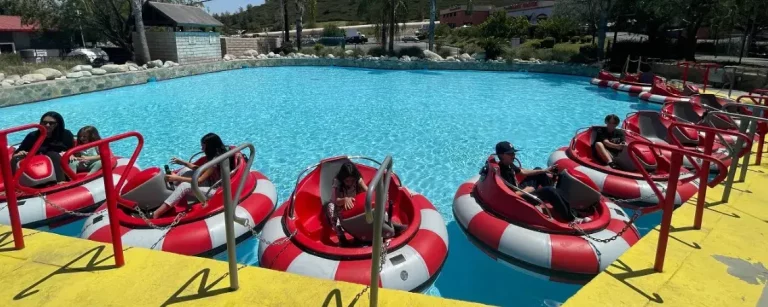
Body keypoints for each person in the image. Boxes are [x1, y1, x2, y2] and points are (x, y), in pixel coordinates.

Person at [495, 141, 589, 224]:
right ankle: (571, 218)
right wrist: (526, 190)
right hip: (517, 198)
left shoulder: (508, 164)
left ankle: (556, 198)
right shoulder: (501, 172)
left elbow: (523, 172)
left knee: (538, 170)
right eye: (510, 154)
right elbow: (507, 194)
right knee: (549, 191)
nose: (513, 156)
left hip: (519, 189)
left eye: (513, 153)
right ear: (502, 155)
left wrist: (544, 171)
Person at [153, 133, 233, 218]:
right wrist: (183, 163)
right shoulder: (215, 154)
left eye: (203, 146)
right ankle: (169, 193)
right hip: (210, 181)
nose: (202, 149)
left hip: (216, 190)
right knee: (185, 170)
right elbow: (201, 169)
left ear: (210, 147)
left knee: (185, 186)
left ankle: (156, 214)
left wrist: (176, 177)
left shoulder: (216, 160)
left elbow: (200, 180)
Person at [328, 161, 407, 245]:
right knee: (330, 207)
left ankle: (389, 223)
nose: (350, 183)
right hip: (341, 206)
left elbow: (368, 192)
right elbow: (336, 200)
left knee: (377, 201)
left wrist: (379, 198)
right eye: (347, 181)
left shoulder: (358, 180)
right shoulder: (337, 182)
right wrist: (345, 200)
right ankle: (341, 237)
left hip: (355, 203)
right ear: (342, 178)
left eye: (352, 180)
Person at [12, 111, 75, 183]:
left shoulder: (66, 134)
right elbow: (18, 152)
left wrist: (68, 154)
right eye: (44, 123)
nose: (47, 125)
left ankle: (61, 181)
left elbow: (72, 150)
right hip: (36, 162)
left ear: (58, 124)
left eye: (51, 123)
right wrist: (20, 153)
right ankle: (16, 184)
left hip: (59, 160)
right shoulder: (32, 136)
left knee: (53, 155)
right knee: (16, 158)